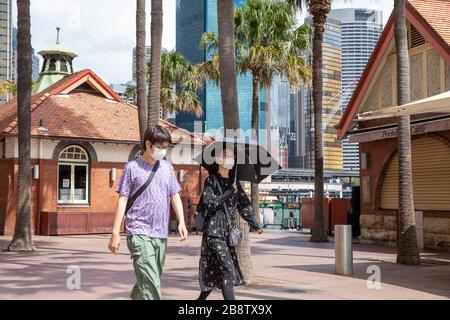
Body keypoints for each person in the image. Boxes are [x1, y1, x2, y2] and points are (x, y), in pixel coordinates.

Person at [108, 124, 188, 300]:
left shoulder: (167, 168)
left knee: (149, 278)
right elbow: (122, 199)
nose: (163, 151)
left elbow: (174, 196)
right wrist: (115, 233)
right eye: (160, 147)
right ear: (148, 144)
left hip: (160, 233)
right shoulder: (132, 167)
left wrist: (182, 221)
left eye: (166, 147)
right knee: (152, 281)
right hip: (138, 232)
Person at [196, 147, 262, 300]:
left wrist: (255, 224)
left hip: (227, 235)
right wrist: (227, 193)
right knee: (228, 269)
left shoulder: (235, 183)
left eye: (232, 156)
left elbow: (244, 206)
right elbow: (209, 203)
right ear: (218, 159)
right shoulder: (211, 180)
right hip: (213, 232)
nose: (229, 159)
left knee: (214, 270)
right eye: (226, 155)